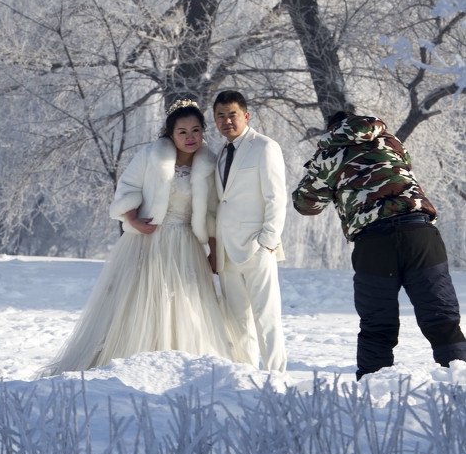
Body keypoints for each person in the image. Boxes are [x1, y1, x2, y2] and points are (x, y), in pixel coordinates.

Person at [41, 98, 239, 375]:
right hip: (149, 240)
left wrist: (214, 249)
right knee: (144, 302)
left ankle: (184, 368)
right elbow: (127, 188)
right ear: (170, 134)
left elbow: (213, 210)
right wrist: (131, 218)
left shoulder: (208, 163)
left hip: (186, 245)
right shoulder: (151, 155)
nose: (190, 137)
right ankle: (134, 364)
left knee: (185, 305)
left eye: (196, 130)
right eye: (182, 132)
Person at [293, 110, 466, 379]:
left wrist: (333, 183)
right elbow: (402, 169)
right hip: (419, 232)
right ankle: (461, 386)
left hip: (375, 243)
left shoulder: (327, 154)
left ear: (331, 130)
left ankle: (372, 399)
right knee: (442, 318)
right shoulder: (389, 140)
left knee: (377, 327)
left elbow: (305, 204)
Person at [213, 89, 288, 372]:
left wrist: (267, 242)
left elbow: (276, 198)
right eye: (220, 116)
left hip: (257, 248)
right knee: (236, 323)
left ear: (245, 115)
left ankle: (275, 376)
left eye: (231, 114)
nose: (226, 121)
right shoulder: (220, 152)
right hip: (227, 252)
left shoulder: (264, 147)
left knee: (266, 318)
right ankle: (244, 377)